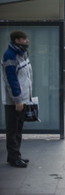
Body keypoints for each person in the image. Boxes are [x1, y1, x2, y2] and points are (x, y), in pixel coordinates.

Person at [1, 31, 32, 168]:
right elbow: (11, 80)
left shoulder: (22, 54)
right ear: (16, 40)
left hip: (23, 98)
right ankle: (13, 157)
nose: (27, 41)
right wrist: (17, 100)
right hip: (14, 101)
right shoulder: (10, 55)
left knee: (18, 129)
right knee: (13, 130)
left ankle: (16, 155)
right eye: (24, 39)